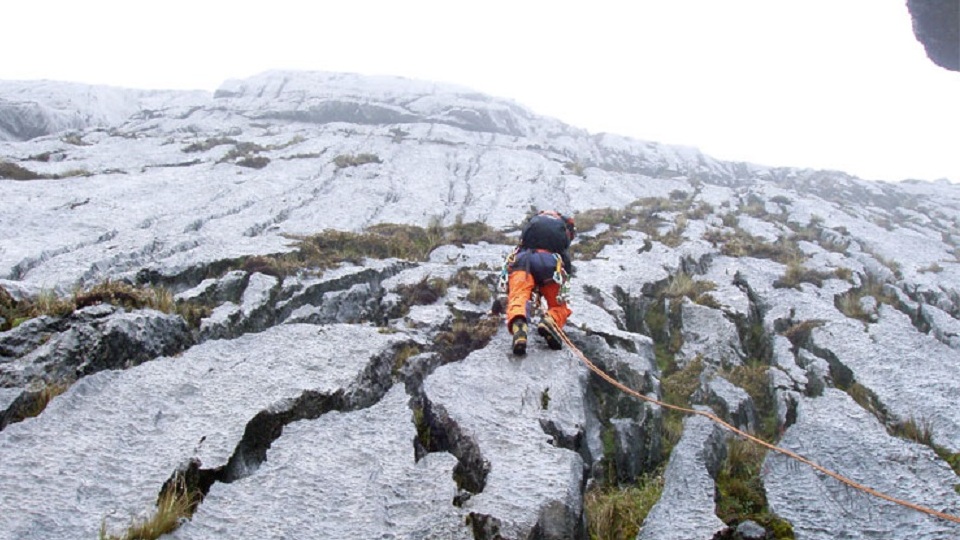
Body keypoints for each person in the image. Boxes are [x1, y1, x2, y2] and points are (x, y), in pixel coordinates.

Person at [503, 210, 576, 355]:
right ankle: (550, 321)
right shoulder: (560, 233)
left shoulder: (532, 228)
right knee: (558, 306)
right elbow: (567, 267)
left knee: (518, 297)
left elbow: (519, 248)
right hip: (551, 265)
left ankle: (519, 325)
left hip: (523, 262)